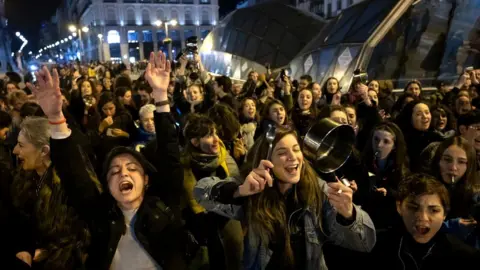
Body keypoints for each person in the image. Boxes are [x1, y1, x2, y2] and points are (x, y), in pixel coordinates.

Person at [28, 52, 188, 269]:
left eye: (132, 168)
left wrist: (160, 96)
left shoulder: (164, 207)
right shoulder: (100, 217)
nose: (123, 173)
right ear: (107, 186)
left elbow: (170, 154)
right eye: (114, 171)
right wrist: (56, 118)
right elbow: (73, 171)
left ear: (146, 179)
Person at [194, 126, 376, 269]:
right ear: (266, 160)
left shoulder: (318, 190)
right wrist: (238, 191)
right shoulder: (254, 187)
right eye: (282, 153)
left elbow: (366, 242)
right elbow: (200, 191)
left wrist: (349, 215)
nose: (292, 157)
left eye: (296, 150)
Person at [368, 174, 480, 269]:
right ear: (399, 207)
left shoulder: (464, 257)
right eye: (413, 208)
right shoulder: (374, 245)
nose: (423, 217)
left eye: (434, 210)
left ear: (444, 214)